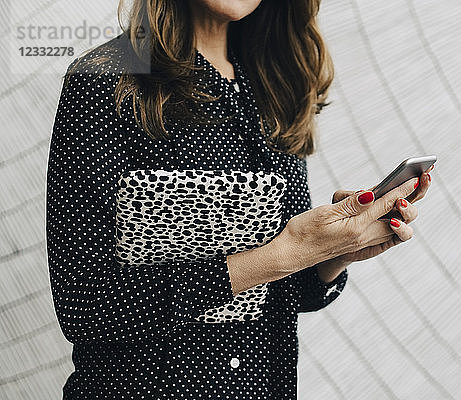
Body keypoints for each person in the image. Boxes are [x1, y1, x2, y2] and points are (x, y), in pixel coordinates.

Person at [45, 0, 434, 398]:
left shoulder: (273, 86)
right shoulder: (106, 79)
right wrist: (283, 254)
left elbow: (282, 295)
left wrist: (335, 250)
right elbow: (83, 306)